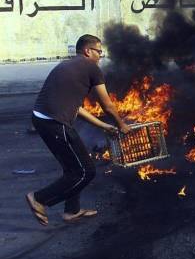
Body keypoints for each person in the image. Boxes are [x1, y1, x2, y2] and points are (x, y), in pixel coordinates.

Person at [25, 34, 131, 226]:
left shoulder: (69, 66)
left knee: (72, 168)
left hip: (42, 119)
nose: (101, 55)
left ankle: (71, 211)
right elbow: (107, 105)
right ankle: (39, 198)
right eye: (99, 51)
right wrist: (121, 124)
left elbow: (77, 108)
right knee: (86, 171)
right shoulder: (91, 68)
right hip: (54, 123)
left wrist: (104, 126)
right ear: (87, 51)